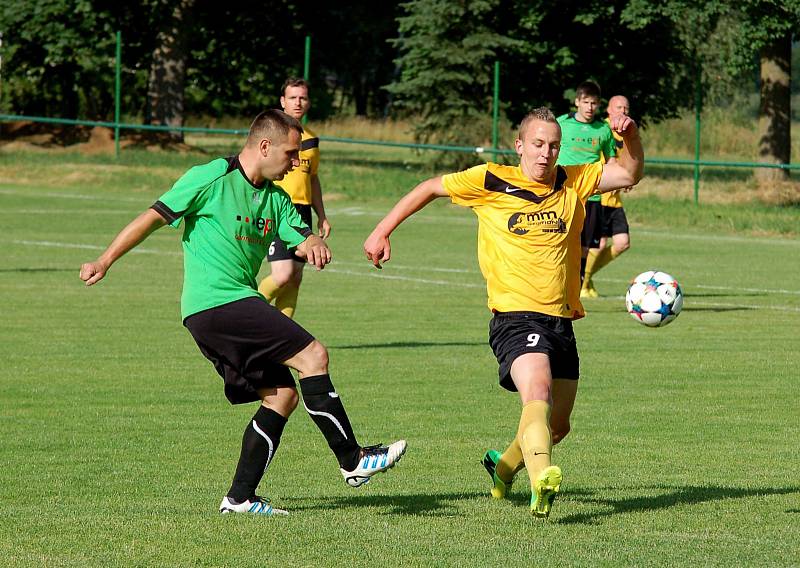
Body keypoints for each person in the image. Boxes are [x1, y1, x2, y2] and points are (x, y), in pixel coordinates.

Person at [80, 110, 406, 516]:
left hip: (229, 307)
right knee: (313, 356)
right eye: (290, 154)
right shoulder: (211, 176)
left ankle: (239, 498)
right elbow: (151, 218)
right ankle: (353, 460)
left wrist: (311, 243)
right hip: (216, 304)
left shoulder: (277, 198)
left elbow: (297, 236)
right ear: (264, 146)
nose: (295, 163)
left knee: (282, 396)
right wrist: (105, 260)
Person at [363, 107, 643, 517]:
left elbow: (630, 173)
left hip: (561, 320)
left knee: (558, 427)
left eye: (553, 146)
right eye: (537, 145)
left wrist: (630, 136)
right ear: (520, 146)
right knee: (538, 393)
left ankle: (504, 467)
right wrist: (382, 229)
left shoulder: (573, 179)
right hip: (515, 317)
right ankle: (541, 479)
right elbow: (430, 187)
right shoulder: (491, 179)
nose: (546, 154)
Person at [258, 78, 331, 319]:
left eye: (303, 97)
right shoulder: (272, 134)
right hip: (277, 209)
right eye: (292, 97)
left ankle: (282, 335)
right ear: (282, 101)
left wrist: (322, 216)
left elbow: (312, 178)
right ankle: (243, 313)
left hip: (302, 212)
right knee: (282, 274)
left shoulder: (310, 140)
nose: (298, 102)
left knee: (294, 279)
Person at [556, 80, 617, 298]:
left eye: (594, 103)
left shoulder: (603, 129)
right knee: (559, 240)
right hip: (561, 195)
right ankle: (557, 283)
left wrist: (618, 181)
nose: (590, 107)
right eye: (586, 102)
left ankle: (576, 286)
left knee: (584, 247)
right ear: (577, 102)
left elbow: (612, 161)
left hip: (590, 197)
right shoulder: (561, 124)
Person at [583, 95, 633, 292]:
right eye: (619, 107)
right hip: (600, 196)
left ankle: (587, 275)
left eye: (626, 108)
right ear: (609, 110)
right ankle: (583, 284)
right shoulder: (602, 130)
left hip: (615, 200)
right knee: (600, 244)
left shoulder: (626, 131)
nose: (623, 111)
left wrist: (628, 178)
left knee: (622, 242)